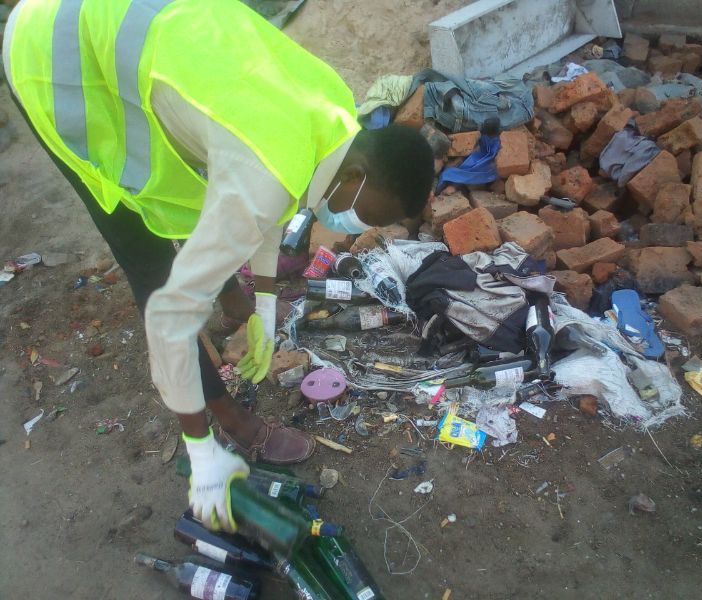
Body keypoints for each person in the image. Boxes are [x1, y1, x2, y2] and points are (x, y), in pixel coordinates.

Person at [3, 0, 433, 533]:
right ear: (358, 175)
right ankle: (230, 420)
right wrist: (199, 449)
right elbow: (173, 309)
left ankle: (229, 294)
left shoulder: (334, 112)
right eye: (374, 215)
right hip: (55, 57)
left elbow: (275, 188)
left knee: (201, 192)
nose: (358, 227)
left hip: (132, 30)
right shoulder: (267, 173)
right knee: (148, 254)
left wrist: (267, 302)